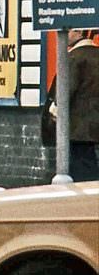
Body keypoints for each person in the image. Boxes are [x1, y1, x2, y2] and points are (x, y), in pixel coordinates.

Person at [48, 28, 99, 182]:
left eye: (69, 31)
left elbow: (65, 92)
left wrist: (54, 111)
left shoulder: (74, 58)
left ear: (79, 33)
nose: (65, 35)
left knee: (81, 165)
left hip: (79, 125)